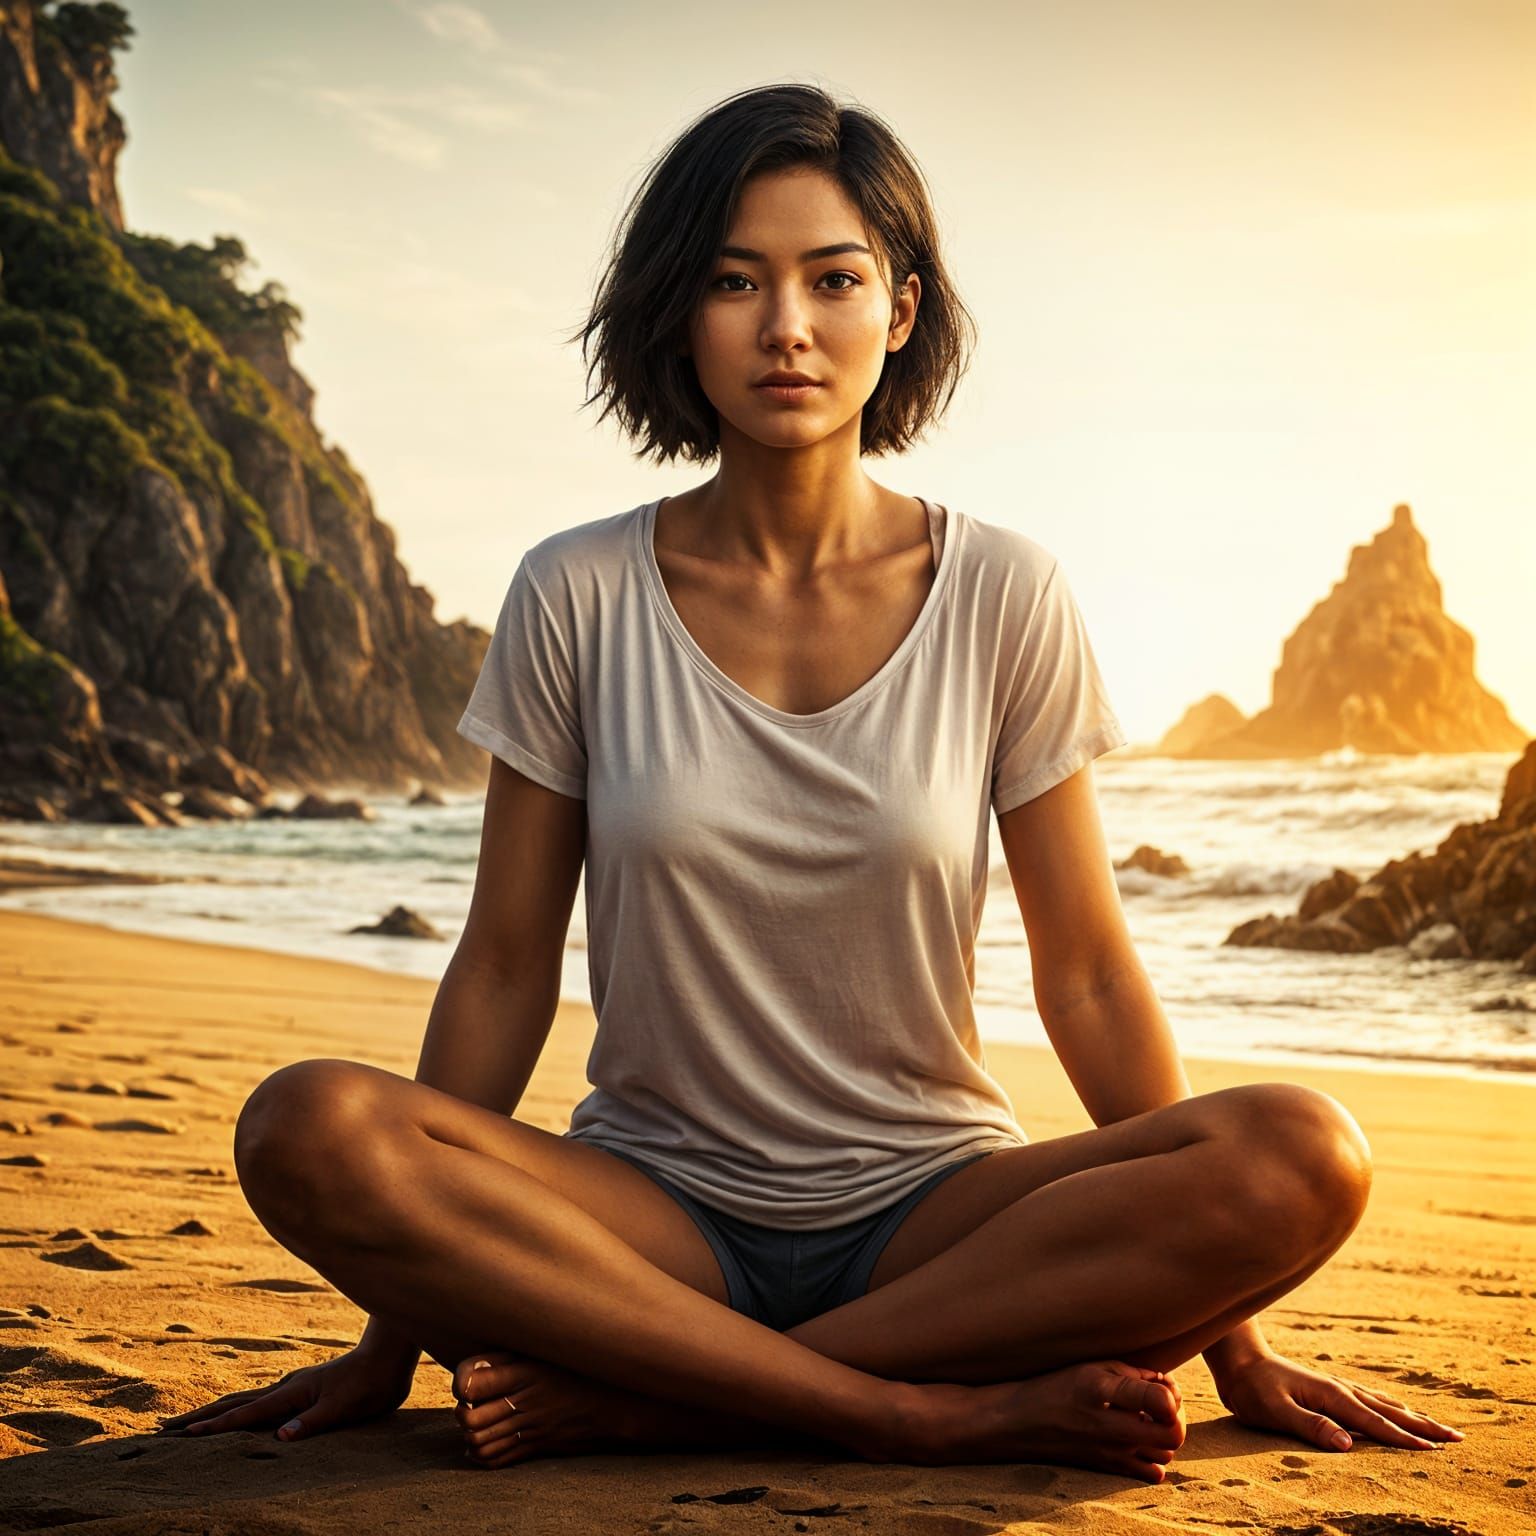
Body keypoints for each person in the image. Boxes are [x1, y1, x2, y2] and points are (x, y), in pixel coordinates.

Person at [157, 83, 1463, 1482]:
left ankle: (670, 1400)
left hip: (939, 1218)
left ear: (899, 311)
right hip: (650, 1220)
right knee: (308, 1125)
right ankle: (904, 1412)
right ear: (679, 313)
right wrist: (389, 1336)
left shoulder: (1003, 591)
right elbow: (502, 966)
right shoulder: (577, 590)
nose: (787, 327)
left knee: (1306, 1152)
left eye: (833, 280)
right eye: (735, 281)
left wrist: (1230, 1335)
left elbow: (1085, 974)